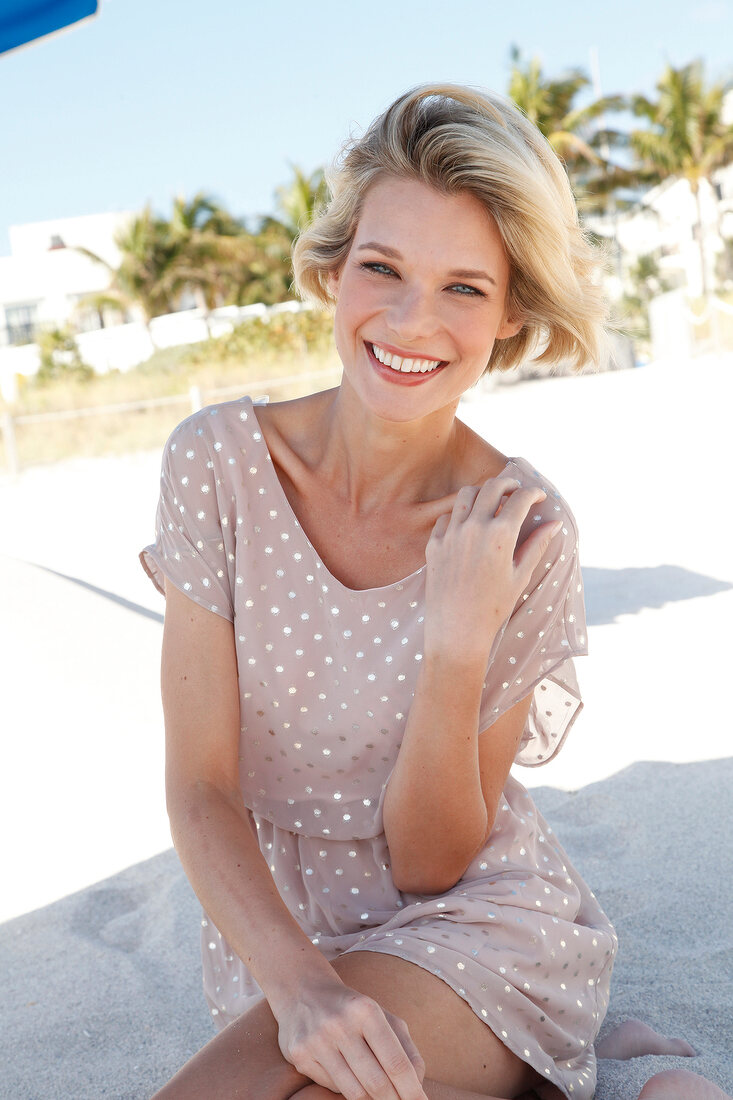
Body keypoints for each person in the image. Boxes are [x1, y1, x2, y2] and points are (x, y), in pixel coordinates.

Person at [139, 84, 720, 1100]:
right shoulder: (215, 465)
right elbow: (200, 784)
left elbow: (432, 864)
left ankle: (582, 1059)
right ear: (332, 269)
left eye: (463, 287)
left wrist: (458, 643)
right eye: (382, 268)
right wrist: (300, 984)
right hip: (283, 927)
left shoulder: (524, 530)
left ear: (511, 316)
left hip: (476, 923)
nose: (412, 320)